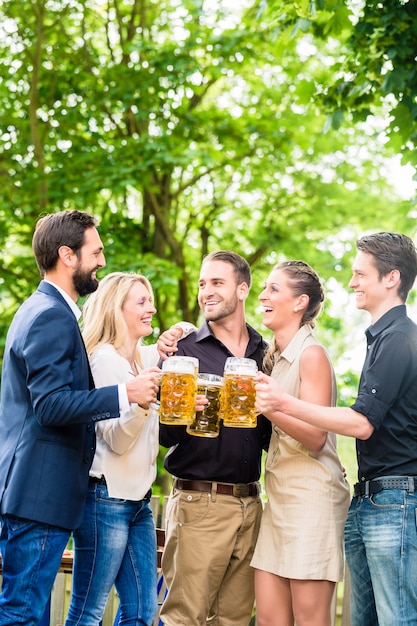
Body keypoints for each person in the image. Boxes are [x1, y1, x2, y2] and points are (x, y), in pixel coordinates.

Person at [0, 211, 160, 626]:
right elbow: (50, 406)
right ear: (67, 255)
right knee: (23, 613)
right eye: (97, 252)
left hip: (41, 495)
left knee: (27, 609)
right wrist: (127, 394)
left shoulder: (45, 310)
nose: (102, 262)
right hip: (39, 494)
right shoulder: (51, 315)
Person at [254, 232, 417, 626]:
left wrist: (280, 403)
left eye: (360, 274)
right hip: (368, 497)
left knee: (397, 620)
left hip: (394, 499)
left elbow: (361, 423)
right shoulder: (380, 340)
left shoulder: (399, 339)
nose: (351, 282)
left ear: (391, 278)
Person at [64, 271, 196, 626]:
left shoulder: (142, 357)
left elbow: (184, 332)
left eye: (151, 300)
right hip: (105, 500)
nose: (151, 308)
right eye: (142, 302)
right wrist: (143, 402)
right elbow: (118, 440)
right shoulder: (105, 359)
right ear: (116, 310)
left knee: (141, 612)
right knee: (88, 611)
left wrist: (176, 330)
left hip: (137, 503)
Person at [157, 250, 271, 626]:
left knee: (234, 620)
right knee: (184, 619)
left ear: (243, 289)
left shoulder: (264, 353)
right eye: (203, 283)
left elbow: (271, 437)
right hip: (198, 502)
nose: (206, 291)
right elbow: (162, 434)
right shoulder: (181, 352)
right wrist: (186, 408)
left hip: (251, 504)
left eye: (217, 283)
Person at [250, 260, 350, 626]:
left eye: (274, 289)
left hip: (312, 502)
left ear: (299, 302)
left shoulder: (312, 355)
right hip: (277, 501)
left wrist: (270, 409)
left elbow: (316, 434)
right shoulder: (273, 359)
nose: (262, 295)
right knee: (270, 620)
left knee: (309, 620)